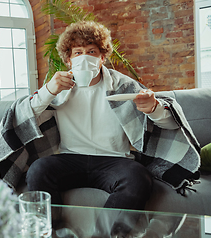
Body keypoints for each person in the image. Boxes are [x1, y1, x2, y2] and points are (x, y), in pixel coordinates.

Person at [25, 20, 180, 211]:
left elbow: (171, 123)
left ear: (102, 57)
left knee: (138, 177)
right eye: (78, 53)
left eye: (91, 52)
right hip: (69, 158)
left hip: (115, 160)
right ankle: (54, 232)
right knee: (38, 170)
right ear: (68, 60)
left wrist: (153, 107)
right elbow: (25, 116)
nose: (84, 58)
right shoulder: (57, 86)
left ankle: (106, 233)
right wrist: (48, 91)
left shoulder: (124, 85)